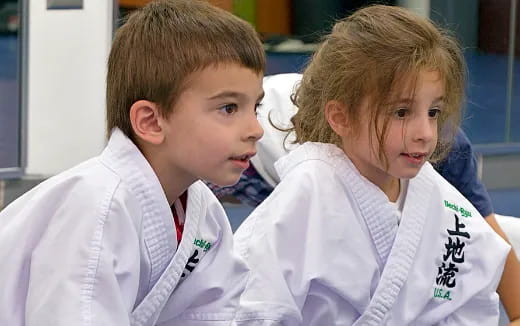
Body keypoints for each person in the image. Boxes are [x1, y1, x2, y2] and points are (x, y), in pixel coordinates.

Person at [231, 5, 510, 325]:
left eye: (433, 112)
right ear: (341, 117)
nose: (424, 134)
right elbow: (255, 308)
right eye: (401, 113)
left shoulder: (435, 194)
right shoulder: (307, 194)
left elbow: (472, 291)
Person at [0, 0, 265, 325]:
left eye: (256, 107)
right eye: (228, 108)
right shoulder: (96, 207)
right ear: (152, 122)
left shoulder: (204, 215)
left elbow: (211, 314)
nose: (255, 129)